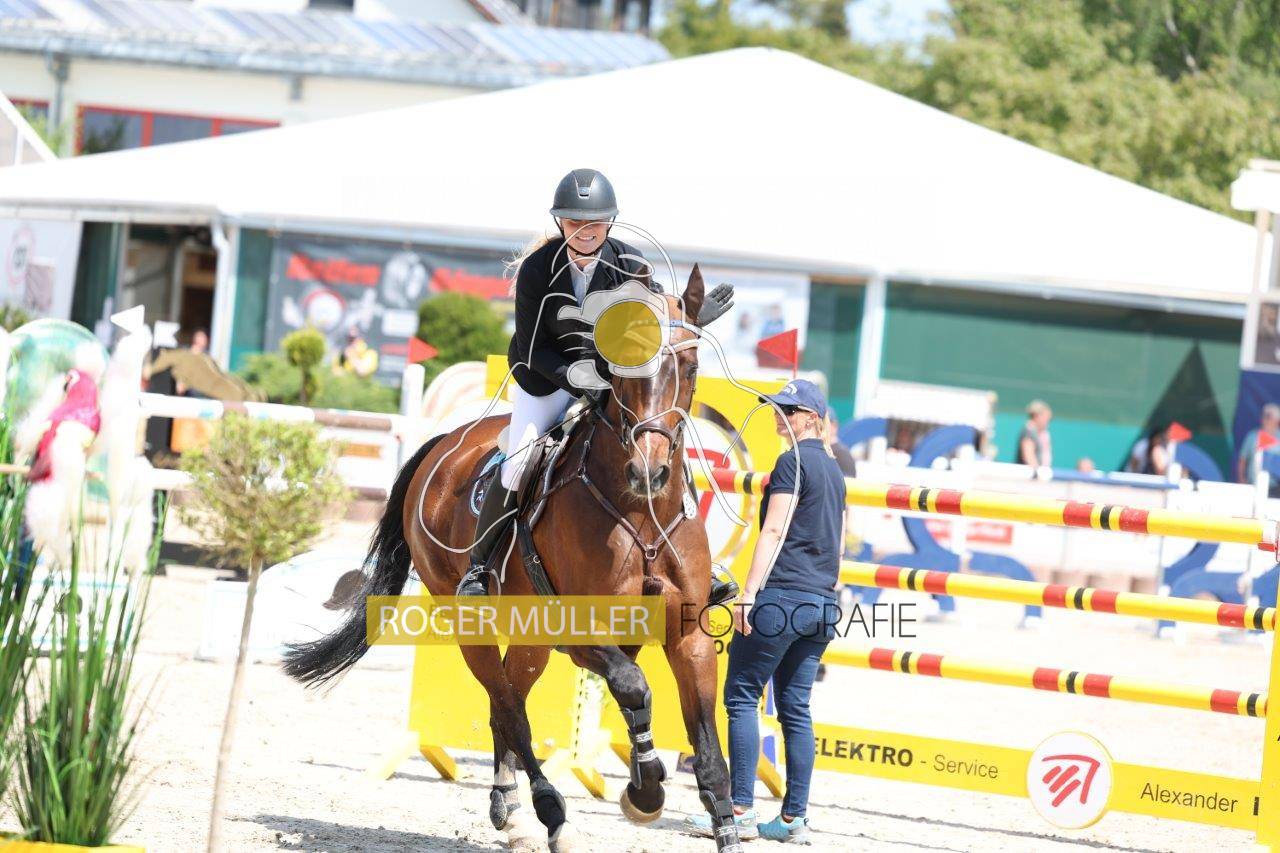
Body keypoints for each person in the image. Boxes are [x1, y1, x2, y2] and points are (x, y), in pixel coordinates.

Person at [456, 169, 736, 596]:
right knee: (519, 460)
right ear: (560, 223)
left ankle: (701, 568)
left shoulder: (630, 264)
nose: (585, 230)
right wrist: (578, 381)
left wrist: (693, 317)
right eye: (574, 221)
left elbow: (657, 319)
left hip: (609, 383)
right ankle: (479, 568)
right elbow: (531, 348)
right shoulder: (537, 270)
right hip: (545, 380)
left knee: (663, 449)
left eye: (595, 222)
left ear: (610, 223)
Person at [686, 379, 846, 844]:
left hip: (781, 597)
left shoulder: (792, 461)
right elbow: (837, 547)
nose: (779, 414)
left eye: (788, 410)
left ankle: (739, 811)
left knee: (741, 697)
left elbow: (773, 531)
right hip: (821, 602)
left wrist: (749, 594)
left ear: (811, 418)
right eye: (777, 407)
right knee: (796, 708)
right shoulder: (835, 470)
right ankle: (794, 818)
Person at [1238, 404, 1280, 487]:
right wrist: (1241, 479)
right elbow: (1242, 460)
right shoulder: (1252, 436)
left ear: (1277, 420)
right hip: (1253, 485)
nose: (1265, 419)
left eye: (1268, 416)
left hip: (1275, 487)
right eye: (1264, 415)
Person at [1017, 400, 1053, 468]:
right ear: (1037, 416)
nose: (1048, 422)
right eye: (1047, 418)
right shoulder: (1029, 432)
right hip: (1031, 474)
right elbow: (1029, 456)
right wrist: (1038, 472)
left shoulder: (1042, 434)